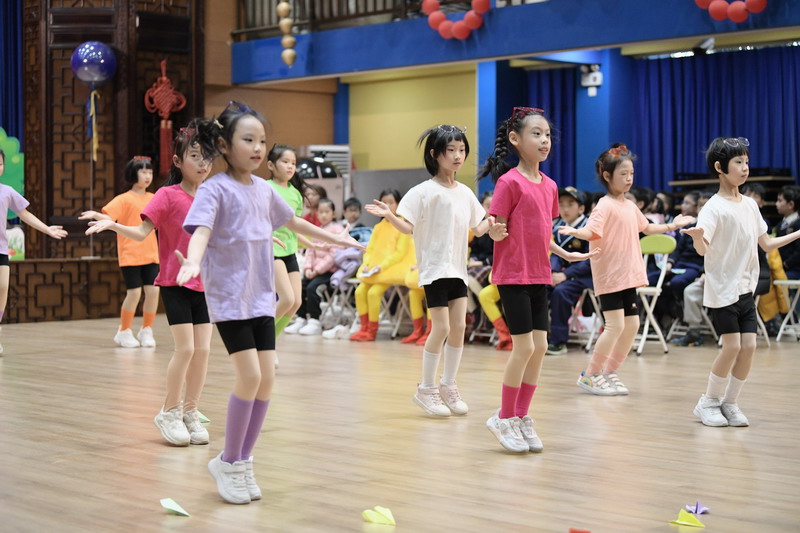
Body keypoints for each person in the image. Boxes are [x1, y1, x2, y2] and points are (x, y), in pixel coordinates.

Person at [175, 101, 363, 505]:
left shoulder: (264, 189)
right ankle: (229, 461)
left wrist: (336, 238)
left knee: (266, 381)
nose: (258, 148)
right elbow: (201, 230)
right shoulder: (214, 189)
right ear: (224, 145)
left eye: (262, 141)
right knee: (249, 377)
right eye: (248, 140)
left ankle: (241, 460)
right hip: (230, 300)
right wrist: (192, 261)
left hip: (261, 298)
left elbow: (293, 222)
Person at [86, 122, 215, 446]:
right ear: (178, 161)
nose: (202, 163)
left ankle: (190, 411)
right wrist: (114, 225)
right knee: (186, 349)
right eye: (195, 156)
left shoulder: (213, 196)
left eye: (207, 157)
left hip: (206, 285)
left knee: (203, 351)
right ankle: (169, 411)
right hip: (174, 283)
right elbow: (142, 232)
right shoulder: (166, 196)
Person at [366, 125, 505, 418]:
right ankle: (426, 388)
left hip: (458, 269)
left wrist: (493, 225)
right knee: (440, 328)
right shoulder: (422, 192)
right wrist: (390, 215)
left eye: (462, 150)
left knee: (459, 327)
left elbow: (478, 227)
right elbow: (408, 227)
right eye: (450, 150)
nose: (457, 156)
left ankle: (448, 384)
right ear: (435, 154)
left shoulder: (465, 193)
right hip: (434, 270)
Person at [479, 107, 595, 453]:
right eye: (536, 134)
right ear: (515, 139)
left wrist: (564, 253)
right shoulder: (508, 182)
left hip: (539, 274)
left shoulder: (551, 186)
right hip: (512, 275)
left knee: (540, 346)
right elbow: (496, 226)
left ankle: (521, 415)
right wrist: (494, 233)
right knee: (525, 347)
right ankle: (503, 417)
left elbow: (541, 233)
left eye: (547, 135)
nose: (544, 140)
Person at [682, 138, 800, 427]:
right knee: (732, 347)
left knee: (749, 346)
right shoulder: (712, 207)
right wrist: (697, 238)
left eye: (746, 162)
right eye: (738, 162)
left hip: (746, 288)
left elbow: (767, 243)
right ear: (719, 167)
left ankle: (730, 402)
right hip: (722, 289)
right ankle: (708, 402)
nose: (745, 167)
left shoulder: (749, 205)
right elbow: (703, 249)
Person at [559, 143, 694, 396]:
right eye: (623, 173)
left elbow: (647, 228)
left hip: (628, 275)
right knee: (614, 326)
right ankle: (590, 374)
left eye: (631, 173)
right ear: (607, 176)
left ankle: (609, 371)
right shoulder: (604, 205)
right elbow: (592, 231)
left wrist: (672, 225)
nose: (629, 178)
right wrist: (576, 232)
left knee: (632, 325)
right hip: (610, 275)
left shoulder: (630, 206)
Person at [80, 156, 160, 348]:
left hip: (151, 253)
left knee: (153, 291)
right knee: (134, 293)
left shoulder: (154, 198)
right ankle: (124, 330)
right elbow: (109, 218)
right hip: (130, 254)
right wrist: (96, 215)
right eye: (143, 172)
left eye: (150, 172)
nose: (147, 176)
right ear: (133, 174)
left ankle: (146, 329)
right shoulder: (123, 199)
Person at [0, 148, 67, 353]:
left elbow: (25, 214)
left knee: (2, 287)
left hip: (1, 249)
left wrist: (47, 229)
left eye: (0, 164)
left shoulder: (7, 191)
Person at [348, 189, 417, 342]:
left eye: (391, 202)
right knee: (359, 292)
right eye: (384, 202)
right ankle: (363, 328)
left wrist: (381, 267)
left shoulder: (402, 225)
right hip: (374, 270)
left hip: (390, 270)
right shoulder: (378, 227)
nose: (387, 205)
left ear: (398, 204)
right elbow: (370, 249)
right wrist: (367, 264)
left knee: (373, 293)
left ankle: (372, 331)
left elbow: (399, 253)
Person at [547, 186, 594, 356]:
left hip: (587, 276)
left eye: (570, 204)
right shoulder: (557, 227)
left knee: (561, 292)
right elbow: (555, 255)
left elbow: (590, 260)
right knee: (538, 287)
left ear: (581, 208)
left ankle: (558, 341)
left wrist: (565, 275)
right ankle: (538, 337)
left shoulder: (589, 227)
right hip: (562, 275)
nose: (565, 209)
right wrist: (553, 273)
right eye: (561, 204)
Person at [294, 198, 346, 336]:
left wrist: (317, 270)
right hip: (313, 271)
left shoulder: (338, 230)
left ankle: (315, 321)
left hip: (329, 272)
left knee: (313, 288)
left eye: (326, 212)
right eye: (321, 212)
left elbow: (334, 254)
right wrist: (308, 268)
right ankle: (301, 318)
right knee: (299, 286)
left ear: (333, 213)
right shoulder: (317, 230)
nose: (323, 215)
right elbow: (310, 251)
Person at [775, 185, 800, 279]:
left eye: (780, 200)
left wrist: (785, 265)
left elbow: (798, 253)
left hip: (794, 270)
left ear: (791, 204)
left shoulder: (798, 224)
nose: (776, 204)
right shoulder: (780, 224)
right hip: (780, 268)